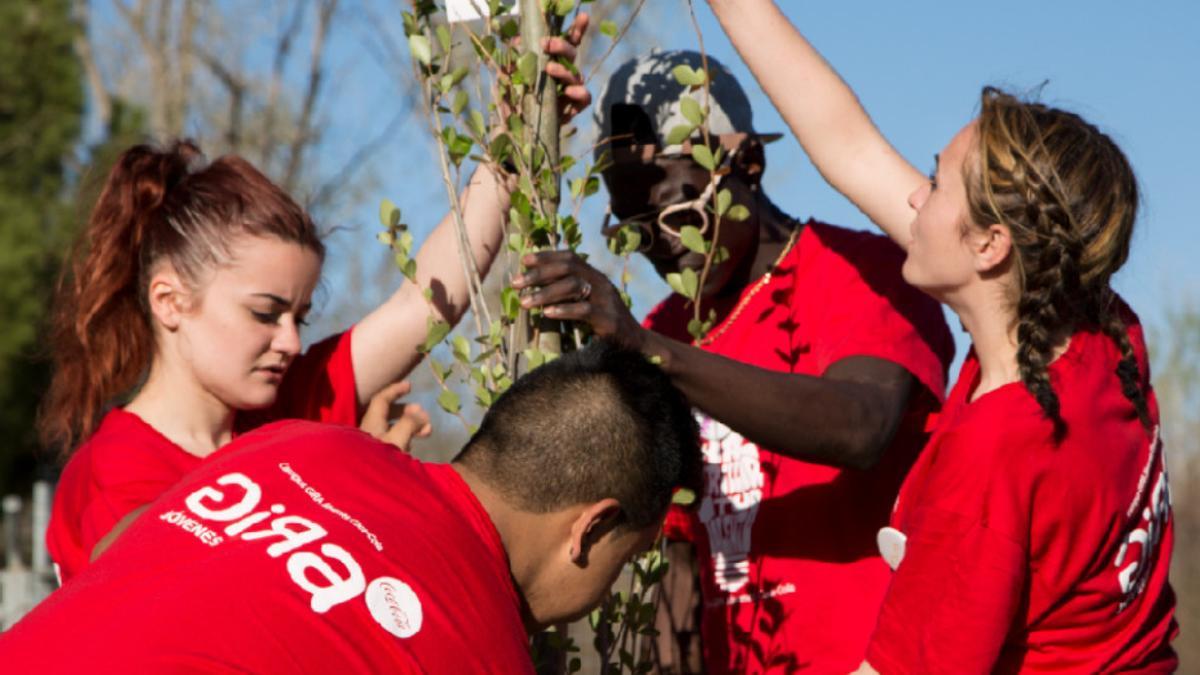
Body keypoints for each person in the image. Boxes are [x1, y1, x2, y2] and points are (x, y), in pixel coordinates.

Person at [701, 1, 1178, 672]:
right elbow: (850, 147)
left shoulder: (995, 461)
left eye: (933, 183)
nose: (914, 199)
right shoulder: (1100, 330)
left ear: (991, 244)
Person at [38, 16, 593, 585]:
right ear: (170, 301)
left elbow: (422, 306)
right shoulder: (113, 475)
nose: (290, 342)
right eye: (264, 312)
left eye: (299, 316)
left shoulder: (284, 412)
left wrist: (512, 143)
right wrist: (350, 483)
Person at [514, 50, 955, 673]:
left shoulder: (867, 271)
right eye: (634, 224)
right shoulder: (667, 327)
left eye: (678, 207)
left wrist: (652, 352)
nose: (662, 241)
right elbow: (678, 558)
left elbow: (862, 428)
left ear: (746, 161)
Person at [0, 340, 701, 673]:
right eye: (624, 562)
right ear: (593, 526)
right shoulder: (482, 657)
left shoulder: (298, 444)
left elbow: (120, 539)